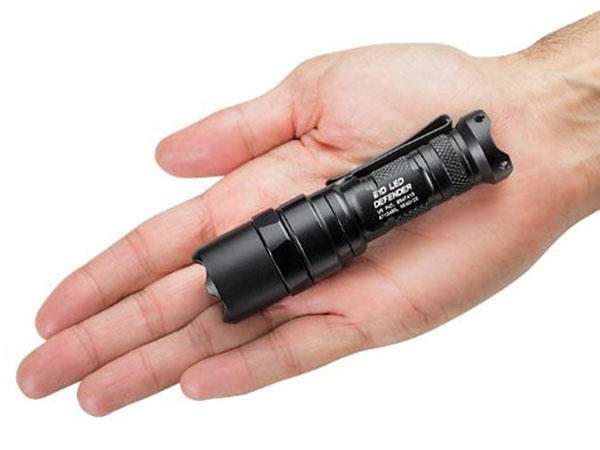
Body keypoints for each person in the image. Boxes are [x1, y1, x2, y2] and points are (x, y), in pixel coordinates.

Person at [17, 11, 600, 416]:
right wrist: (550, 109)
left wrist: (541, 114)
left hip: (425, 175)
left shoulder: (453, 156)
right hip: (388, 192)